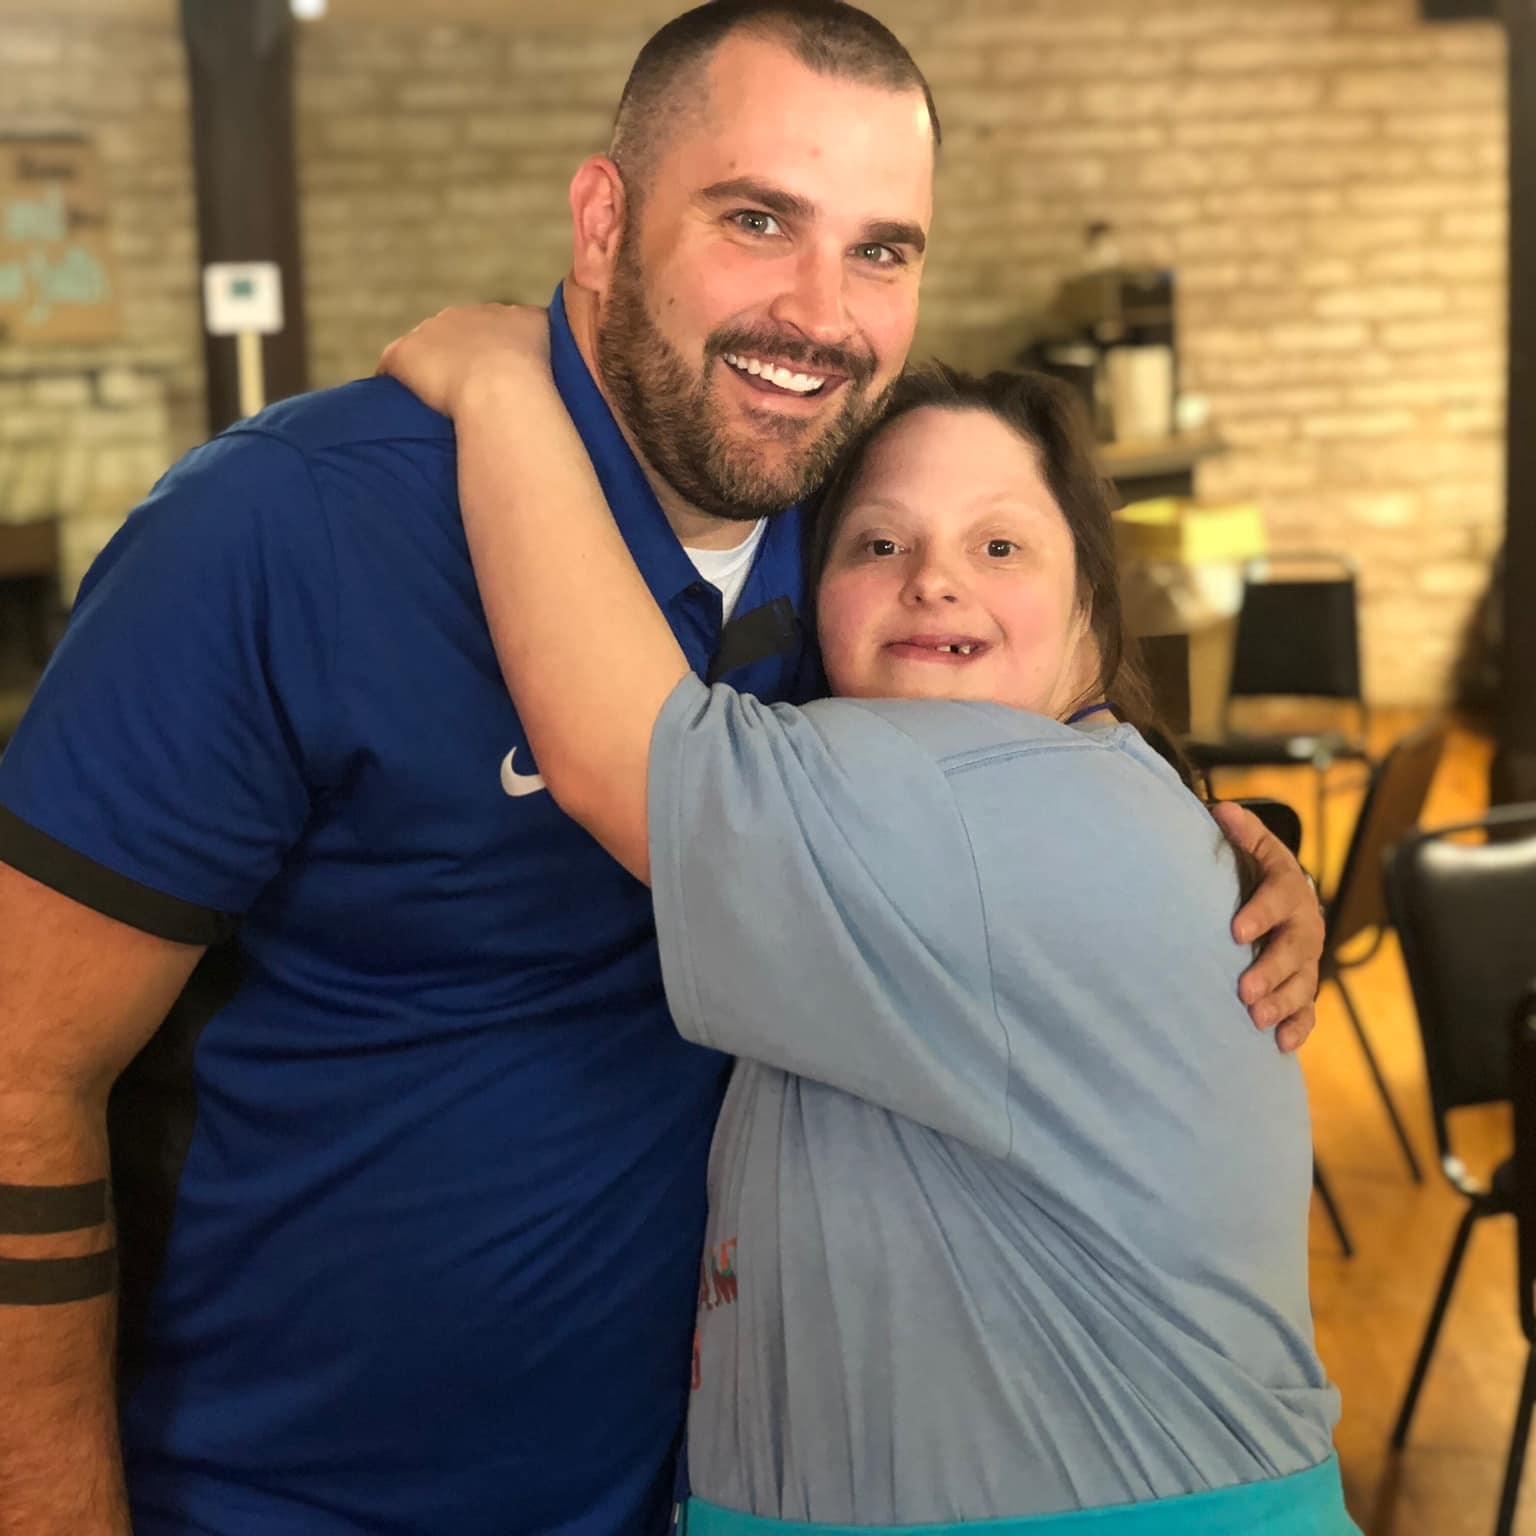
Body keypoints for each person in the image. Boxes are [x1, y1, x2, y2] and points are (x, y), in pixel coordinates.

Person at [0, 4, 1323, 1534]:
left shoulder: (850, 559)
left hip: (701, 1491)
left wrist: (1231, 856)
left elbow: (1021, 777)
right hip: (295, 1494)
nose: (820, 314)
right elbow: (23, 1068)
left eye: (882, 249)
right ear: (605, 221)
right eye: (759, 220)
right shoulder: (282, 531)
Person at [378, 305, 1359, 1534]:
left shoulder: (989, 804)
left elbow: (614, 755)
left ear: (1094, 617)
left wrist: (501, 386)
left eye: (1001, 547)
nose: (934, 577)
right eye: (877, 544)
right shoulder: (1036, 803)